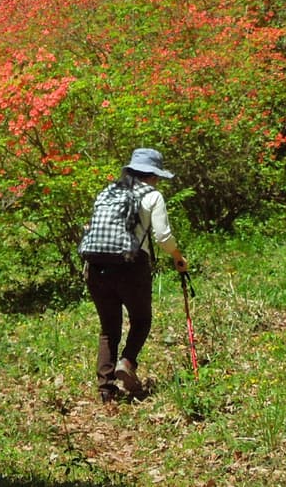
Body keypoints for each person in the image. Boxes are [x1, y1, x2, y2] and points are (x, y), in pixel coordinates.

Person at [81, 147, 188, 405]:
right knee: (141, 320)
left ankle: (106, 390)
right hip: (131, 265)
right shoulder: (152, 196)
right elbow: (162, 236)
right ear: (152, 175)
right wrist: (177, 257)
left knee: (109, 328)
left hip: (96, 265)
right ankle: (127, 362)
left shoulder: (108, 191)